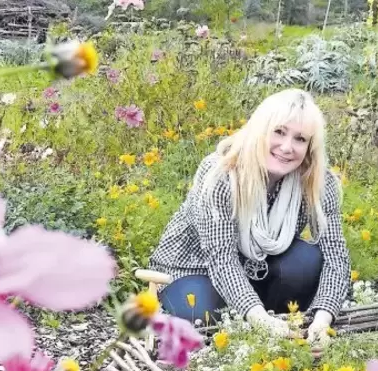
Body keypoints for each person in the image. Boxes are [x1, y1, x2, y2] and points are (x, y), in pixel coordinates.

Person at [147, 88, 351, 349]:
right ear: (259, 130)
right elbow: (221, 260)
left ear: (310, 148)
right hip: (194, 269)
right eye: (278, 132)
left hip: (256, 268)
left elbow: (336, 256)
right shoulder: (221, 174)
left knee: (306, 260)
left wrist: (324, 318)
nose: (287, 147)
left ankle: (267, 322)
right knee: (200, 315)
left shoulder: (318, 183)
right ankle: (255, 319)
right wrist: (258, 318)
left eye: (300, 139)